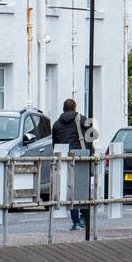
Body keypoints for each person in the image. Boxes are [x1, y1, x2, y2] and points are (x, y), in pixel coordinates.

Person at [51, 98, 94, 230]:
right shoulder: (83, 120)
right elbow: (90, 139)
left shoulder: (57, 124)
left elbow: (55, 144)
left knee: (70, 190)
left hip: (65, 158)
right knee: (83, 189)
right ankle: (85, 220)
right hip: (81, 156)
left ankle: (75, 222)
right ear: (75, 108)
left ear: (63, 109)